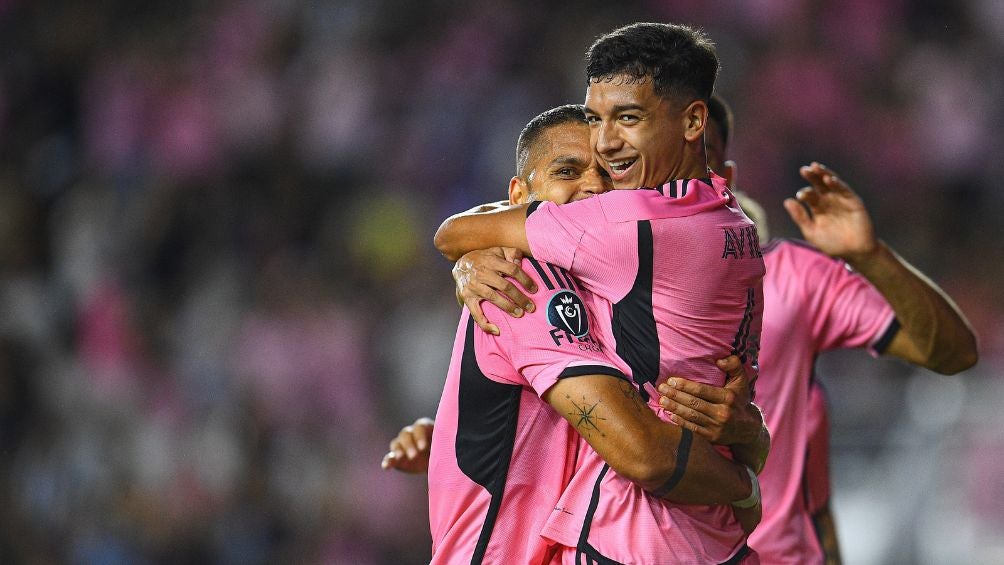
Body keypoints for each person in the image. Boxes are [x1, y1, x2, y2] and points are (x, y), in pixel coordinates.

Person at [434, 22, 767, 564]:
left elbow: (452, 231)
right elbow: (653, 450)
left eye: (627, 120)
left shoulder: (623, 246)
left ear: (691, 122)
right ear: (519, 194)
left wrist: (746, 441)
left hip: (638, 539)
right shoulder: (523, 279)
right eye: (569, 171)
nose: (595, 183)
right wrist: (745, 477)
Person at [655, 94, 979, 564]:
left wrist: (870, 257)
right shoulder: (596, 279)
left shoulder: (795, 276)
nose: (676, 181)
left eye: (697, 159)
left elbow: (953, 354)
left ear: (727, 175)